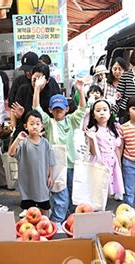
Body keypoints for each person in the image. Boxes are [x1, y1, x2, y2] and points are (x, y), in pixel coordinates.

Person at [32, 78, 86, 223]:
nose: (58, 111)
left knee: (74, 194)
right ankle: (57, 221)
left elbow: (82, 110)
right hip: (56, 166)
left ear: (67, 109)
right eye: (55, 109)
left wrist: (80, 91)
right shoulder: (49, 123)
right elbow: (36, 108)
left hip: (72, 165)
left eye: (60, 109)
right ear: (50, 110)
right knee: (60, 195)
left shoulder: (71, 121)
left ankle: (71, 221)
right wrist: (37, 89)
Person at [8, 110, 54, 217]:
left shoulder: (46, 143)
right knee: (29, 211)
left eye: (38, 124)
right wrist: (18, 139)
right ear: (25, 126)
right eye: (31, 124)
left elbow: (51, 161)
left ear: (42, 126)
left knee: (44, 207)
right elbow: (11, 153)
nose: (35, 127)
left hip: (42, 183)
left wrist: (51, 176)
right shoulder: (23, 142)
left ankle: (45, 223)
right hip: (27, 184)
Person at [86, 100, 124, 199]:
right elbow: (93, 152)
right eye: (98, 110)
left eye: (104, 110)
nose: (102, 113)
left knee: (109, 189)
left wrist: (119, 164)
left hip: (112, 160)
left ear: (110, 113)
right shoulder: (93, 131)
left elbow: (117, 148)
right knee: (99, 190)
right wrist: (90, 138)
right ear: (93, 115)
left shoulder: (114, 129)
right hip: (100, 161)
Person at [10, 64, 57, 142]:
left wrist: (37, 89)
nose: (36, 83)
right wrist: (19, 115)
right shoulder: (23, 89)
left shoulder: (51, 92)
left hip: (44, 132)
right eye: (34, 79)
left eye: (40, 80)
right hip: (25, 129)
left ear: (47, 80)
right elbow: (14, 111)